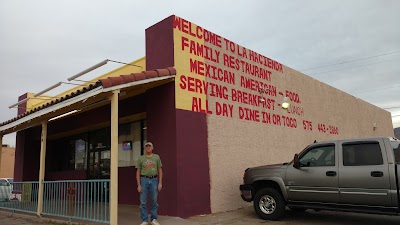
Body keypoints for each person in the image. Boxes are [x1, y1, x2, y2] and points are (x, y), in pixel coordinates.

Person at [136, 142, 163, 225]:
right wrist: (139, 185)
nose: (148, 147)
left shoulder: (156, 157)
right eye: (146, 146)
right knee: (143, 201)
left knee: (154, 200)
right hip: (144, 180)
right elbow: (138, 172)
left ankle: (153, 219)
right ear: (145, 148)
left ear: (152, 148)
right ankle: (144, 220)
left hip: (154, 180)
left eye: (149, 146)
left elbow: (160, 170)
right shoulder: (141, 158)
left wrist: (160, 183)